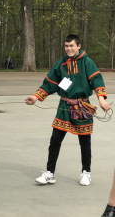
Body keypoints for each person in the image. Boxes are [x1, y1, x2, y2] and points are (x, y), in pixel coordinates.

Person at [25, 34, 110, 186]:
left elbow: (96, 79)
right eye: (66, 46)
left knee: (85, 142)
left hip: (82, 106)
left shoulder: (87, 62)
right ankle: (50, 173)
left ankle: (86, 173)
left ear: (78, 46)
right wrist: (36, 97)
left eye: (71, 46)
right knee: (55, 140)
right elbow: (50, 83)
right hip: (64, 107)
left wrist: (101, 99)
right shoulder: (61, 63)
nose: (69, 49)